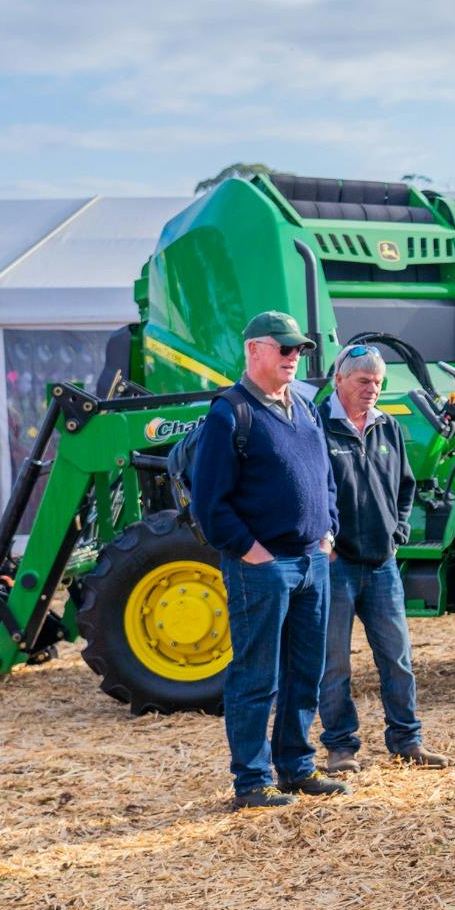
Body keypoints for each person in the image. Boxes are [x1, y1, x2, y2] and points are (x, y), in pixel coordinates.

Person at [191, 311, 349, 809]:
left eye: (298, 350)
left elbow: (325, 478)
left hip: (311, 561)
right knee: (257, 677)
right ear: (254, 350)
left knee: (305, 673)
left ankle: (296, 769)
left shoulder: (303, 407)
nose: (293, 357)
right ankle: (251, 782)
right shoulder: (228, 414)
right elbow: (209, 502)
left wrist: (328, 533)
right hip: (262, 565)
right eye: (284, 349)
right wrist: (252, 551)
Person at [318, 344, 446, 772]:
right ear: (339, 380)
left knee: (397, 658)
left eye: (377, 381)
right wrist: (325, 541)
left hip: (381, 564)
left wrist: (398, 533)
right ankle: (340, 747)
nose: (372, 388)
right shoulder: (318, 426)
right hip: (335, 566)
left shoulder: (387, 427)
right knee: (334, 663)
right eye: (363, 381)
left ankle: (407, 741)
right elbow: (309, 491)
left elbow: (406, 486)